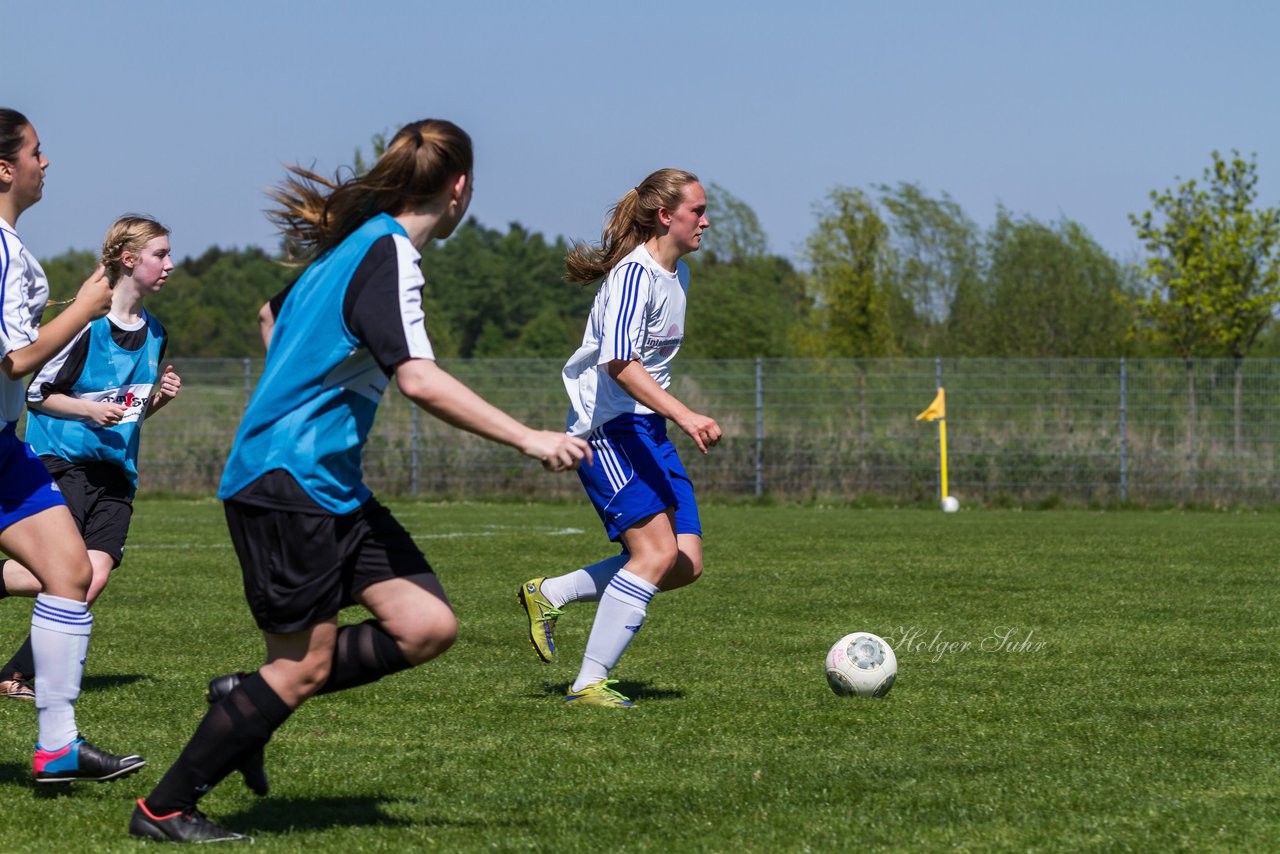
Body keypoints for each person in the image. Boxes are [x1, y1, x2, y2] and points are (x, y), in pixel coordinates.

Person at [129, 118, 591, 844]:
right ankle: (164, 808)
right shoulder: (389, 253)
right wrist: (530, 437)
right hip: (288, 483)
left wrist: (298, 383)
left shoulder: (351, 248)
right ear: (459, 188)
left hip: (325, 482)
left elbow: (269, 313)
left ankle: (250, 698)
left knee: (427, 626)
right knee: (300, 666)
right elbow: (419, 379)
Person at [516, 168, 720, 708]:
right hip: (607, 430)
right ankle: (588, 684)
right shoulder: (635, 276)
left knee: (684, 563)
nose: (705, 219)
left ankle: (552, 592)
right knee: (653, 553)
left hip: (646, 429)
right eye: (696, 210)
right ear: (665, 216)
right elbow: (619, 363)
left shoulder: (679, 277)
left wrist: (669, 418)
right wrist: (687, 415)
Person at [0, 108, 146, 782]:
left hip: (5, 446)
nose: (46, 161)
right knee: (70, 572)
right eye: (37, 151)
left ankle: (58, 745)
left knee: (71, 573)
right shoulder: (0, 251)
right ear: (6, 168)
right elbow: (16, 361)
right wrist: (82, 312)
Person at [0, 215, 181, 700]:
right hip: (63, 462)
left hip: (117, 471)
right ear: (128, 259)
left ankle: (12, 674)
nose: (169, 264)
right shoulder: (83, 327)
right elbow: (36, 392)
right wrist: (85, 410)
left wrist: (157, 400)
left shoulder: (156, 332)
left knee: (92, 578)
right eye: (160, 254)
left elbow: (125, 414)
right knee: (66, 572)